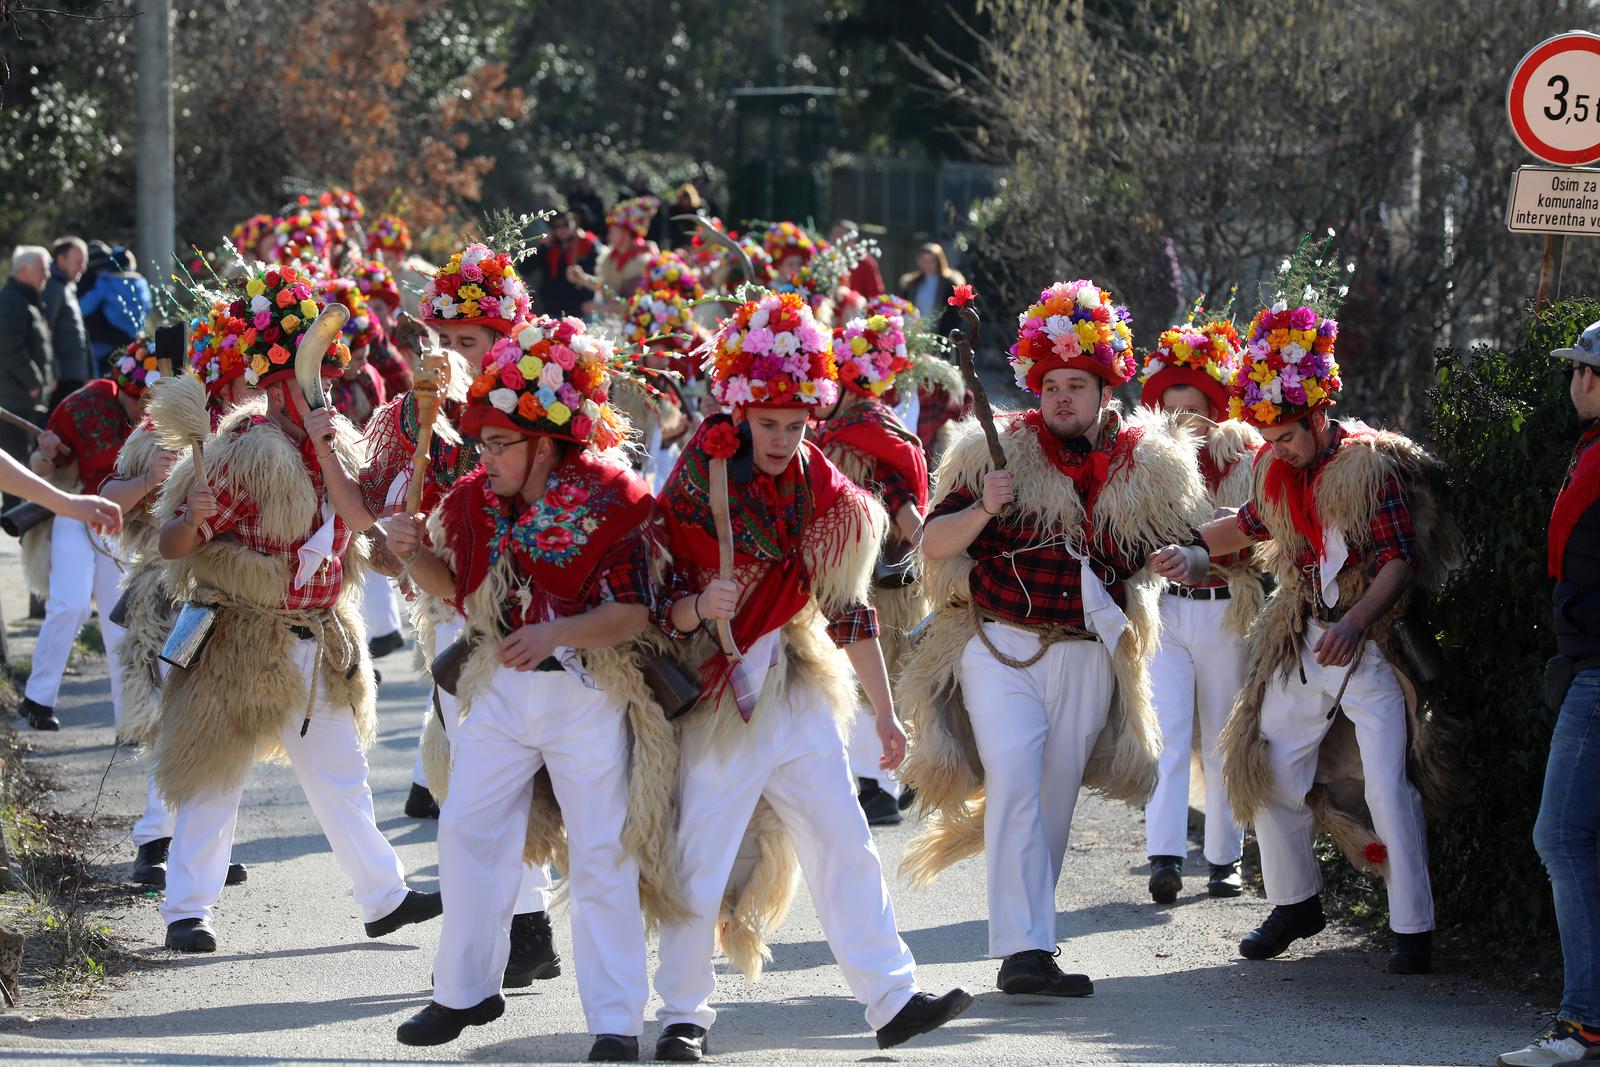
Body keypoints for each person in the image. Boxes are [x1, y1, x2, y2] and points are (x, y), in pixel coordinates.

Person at [650, 288, 971, 1063]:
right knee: (702, 847)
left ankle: (891, 997)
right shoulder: (701, 467)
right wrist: (698, 602)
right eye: (769, 424)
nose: (784, 438)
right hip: (716, 684)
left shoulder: (822, 480)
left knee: (843, 837)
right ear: (739, 408)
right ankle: (682, 1014)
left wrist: (888, 720)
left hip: (794, 678)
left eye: (798, 424)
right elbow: (652, 582)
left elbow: (850, 606)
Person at [387, 315, 684, 1062]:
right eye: (482, 442)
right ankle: (465, 991)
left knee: (601, 855)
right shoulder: (472, 499)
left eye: (497, 443)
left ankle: (616, 1022)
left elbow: (633, 612)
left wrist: (555, 633)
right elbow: (457, 591)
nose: (483, 455)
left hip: (586, 692)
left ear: (544, 444)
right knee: (464, 831)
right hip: (498, 690)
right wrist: (410, 554)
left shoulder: (612, 498)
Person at [898, 279, 1202, 999]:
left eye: (1076, 385)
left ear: (1104, 390)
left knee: (1054, 796)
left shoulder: (1145, 464)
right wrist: (983, 506)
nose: (1061, 397)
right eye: (1052, 384)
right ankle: (1022, 950)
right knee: (1014, 782)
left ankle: (1035, 940)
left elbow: (1191, 548)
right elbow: (932, 543)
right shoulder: (992, 447)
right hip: (998, 646)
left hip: (1087, 652)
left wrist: (1178, 561)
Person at [1150, 295, 1459, 976]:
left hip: (1372, 646)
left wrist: (1353, 621)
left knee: (1387, 785)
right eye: (1271, 438)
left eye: (1287, 435)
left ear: (1319, 416)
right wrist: (1188, 549)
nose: (1278, 448)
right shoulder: (1277, 466)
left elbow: (1399, 560)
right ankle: (1296, 901)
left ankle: (1414, 928)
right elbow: (1248, 525)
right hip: (1304, 639)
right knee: (1270, 767)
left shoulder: (1369, 467)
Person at [149, 261, 440, 954]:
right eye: (304, 379)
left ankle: (384, 895)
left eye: (326, 377)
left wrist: (396, 554)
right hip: (241, 641)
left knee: (342, 773)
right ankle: (186, 909)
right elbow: (172, 544)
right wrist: (194, 518)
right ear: (276, 384)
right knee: (216, 775)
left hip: (320, 636)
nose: (319, 390)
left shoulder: (340, 446)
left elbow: (361, 534)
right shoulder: (239, 453)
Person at [1496, 320, 1600, 1067]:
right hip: (1585, 664)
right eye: (1578, 370)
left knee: (1560, 835)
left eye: (1587, 371)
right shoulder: (1587, 451)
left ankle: (1583, 1024)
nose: (1579, 382)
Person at [1135, 317, 1260, 902]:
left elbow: (1261, 544)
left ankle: (1224, 859)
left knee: (1220, 734)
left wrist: (1206, 557)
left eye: (1196, 410)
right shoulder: (1148, 464)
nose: (1185, 423)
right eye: (1172, 410)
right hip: (1165, 611)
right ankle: (1163, 855)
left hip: (1225, 611)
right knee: (1164, 731)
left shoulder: (1245, 459)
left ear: (1216, 407)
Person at [814, 309, 926, 825]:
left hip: (860, 580)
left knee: (859, 679)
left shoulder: (849, 438)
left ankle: (877, 786)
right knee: (876, 679)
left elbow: (901, 507)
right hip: (882, 579)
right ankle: (884, 780)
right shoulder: (885, 429)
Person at [15, 342, 163, 731]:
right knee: (71, 605)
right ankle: (37, 699)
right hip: (76, 509)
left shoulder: (165, 418)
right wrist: (45, 452)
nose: (141, 412)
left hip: (126, 526)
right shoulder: (86, 402)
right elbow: (41, 464)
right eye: (137, 402)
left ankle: (128, 719)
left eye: (149, 402)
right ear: (122, 388)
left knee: (120, 620)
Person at [0, 246, 53, 506]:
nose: (47, 274)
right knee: (13, 461)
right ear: (23, 270)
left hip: (23, 395)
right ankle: (13, 519)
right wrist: (33, 382)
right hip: (15, 396)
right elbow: (9, 346)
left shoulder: (25, 300)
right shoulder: (11, 301)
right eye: (42, 268)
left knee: (21, 460)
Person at [569, 196, 660, 318]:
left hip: (635, 325)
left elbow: (635, 303)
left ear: (625, 234)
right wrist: (582, 278)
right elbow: (608, 288)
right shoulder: (610, 258)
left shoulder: (642, 260)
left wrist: (600, 307)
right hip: (614, 324)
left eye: (613, 232)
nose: (609, 237)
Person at [79, 245, 153, 373]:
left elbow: (85, 307)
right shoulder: (141, 282)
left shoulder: (106, 281)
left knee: (89, 359)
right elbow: (148, 307)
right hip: (136, 336)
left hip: (109, 340)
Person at [42, 237, 89, 412]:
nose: (82, 268)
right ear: (61, 260)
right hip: (61, 379)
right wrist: (53, 371)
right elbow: (45, 331)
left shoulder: (67, 287)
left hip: (72, 376)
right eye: (78, 262)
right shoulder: (52, 288)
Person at [528, 208, 598, 320]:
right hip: (553, 311)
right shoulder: (548, 247)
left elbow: (595, 275)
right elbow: (526, 268)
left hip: (580, 312)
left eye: (565, 224)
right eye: (557, 226)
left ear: (573, 224)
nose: (562, 229)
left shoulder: (586, 244)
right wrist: (545, 247)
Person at [897, 243, 963, 338]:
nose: (927, 265)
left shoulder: (950, 284)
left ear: (939, 262)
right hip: (915, 335)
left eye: (931, 261)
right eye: (924, 261)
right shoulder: (911, 283)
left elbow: (956, 315)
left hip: (940, 335)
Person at [831, 221, 885, 299]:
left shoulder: (865, 261)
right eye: (833, 233)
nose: (834, 238)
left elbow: (876, 293)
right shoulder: (831, 258)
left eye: (838, 234)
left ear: (851, 238)